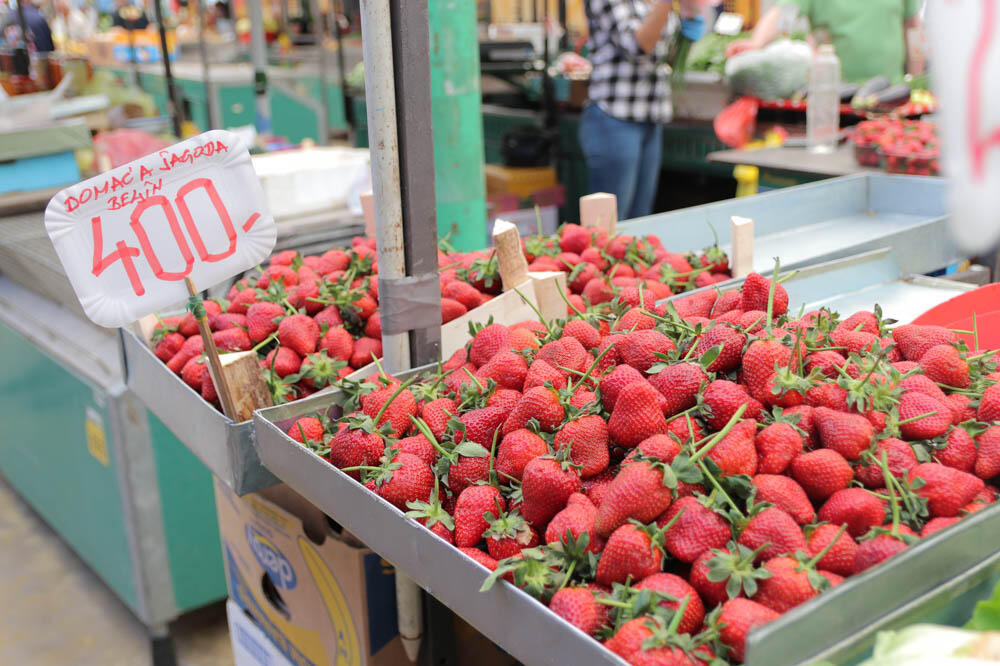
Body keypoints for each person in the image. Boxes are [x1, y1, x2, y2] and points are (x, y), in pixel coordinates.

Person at [579, 0, 705, 220]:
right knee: (610, 226)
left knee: (639, 224)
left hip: (650, 117)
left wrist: (690, 16)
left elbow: (665, 56)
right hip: (614, 118)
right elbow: (638, 46)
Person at [725, 0, 925, 83]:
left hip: (891, 97)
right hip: (834, 100)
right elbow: (784, 12)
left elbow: (913, 28)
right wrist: (756, 43)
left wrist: (916, 80)